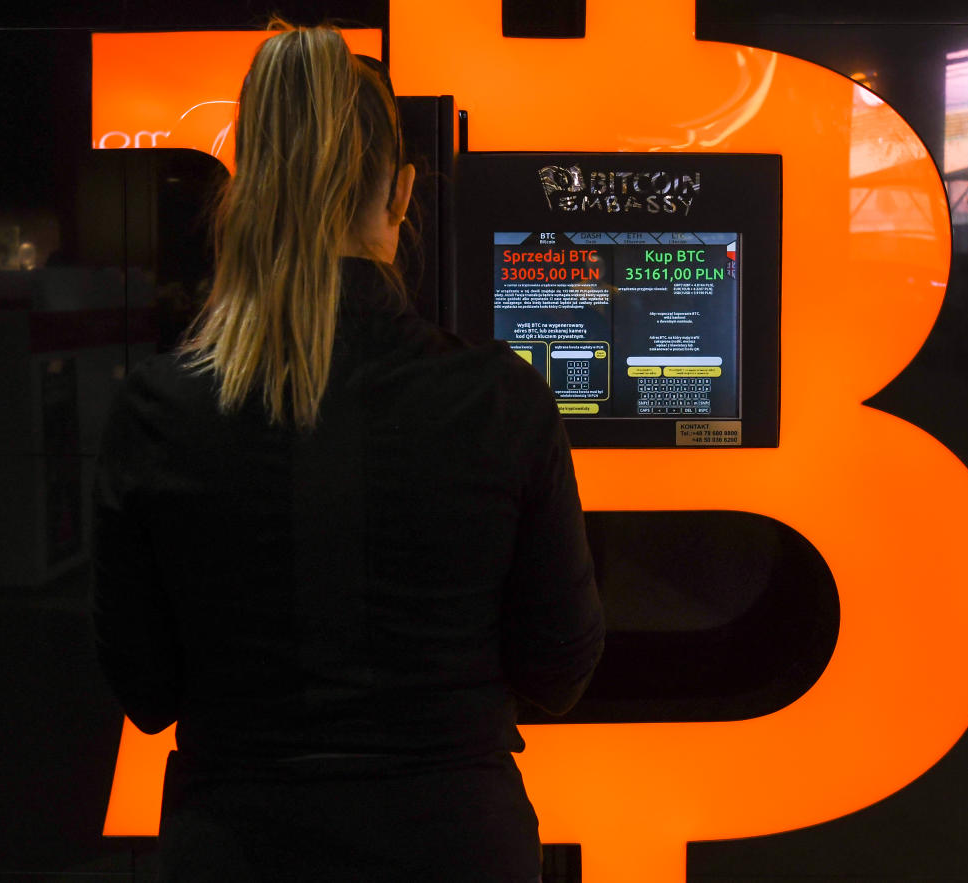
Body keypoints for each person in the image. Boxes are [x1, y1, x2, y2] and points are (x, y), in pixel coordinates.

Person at [92, 22, 603, 882]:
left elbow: (143, 689)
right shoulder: (500, 399)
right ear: (402, 195)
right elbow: (562, 664)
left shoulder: (159, 407)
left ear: (245, 193)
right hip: (458, 844)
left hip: (234, 845)